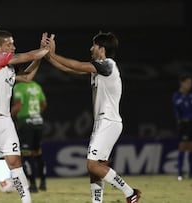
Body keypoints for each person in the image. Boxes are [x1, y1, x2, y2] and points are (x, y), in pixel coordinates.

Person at [43, 32, 141, 203]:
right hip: (103, 122)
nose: (91, 48)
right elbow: (69, 68)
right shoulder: (99, 68)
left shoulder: (107, 65)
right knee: (95, 168)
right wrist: (48, 55)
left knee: (93, 165)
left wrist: (53, 54)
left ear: (102, 49)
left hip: (109, 121)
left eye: (94, 45)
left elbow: (78, 65)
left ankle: (130, 193)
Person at [0, 30, 49, 203]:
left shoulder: (8, 68)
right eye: (9, 44)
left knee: (15, 161)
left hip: (5, 121)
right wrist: (45, 50)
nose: (13, 47)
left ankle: (27, 200)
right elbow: (27, 56)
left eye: (13, 43)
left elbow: (28, 77)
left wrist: (40, 54)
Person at [11, 80, 47, 193]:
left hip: (26, 123)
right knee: (37, 152)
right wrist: (36, 115)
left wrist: (9, 117)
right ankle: (43, 182)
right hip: (38, 121)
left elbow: (18, 105)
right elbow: (44, 104)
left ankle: (32, 185)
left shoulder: (19, 86)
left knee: (26, 153)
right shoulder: (36, 85)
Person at [172, 73, 192, 181]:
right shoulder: (177, 96)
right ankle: (180, 173)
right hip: (183, 124)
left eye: (191, 83)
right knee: (183, 147)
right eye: (188, 83)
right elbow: (177, 109)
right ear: (182, 83)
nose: (190, 85)